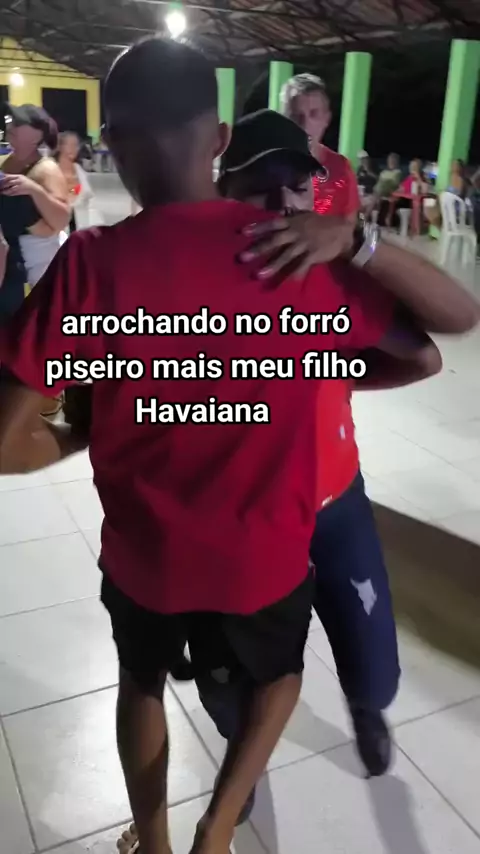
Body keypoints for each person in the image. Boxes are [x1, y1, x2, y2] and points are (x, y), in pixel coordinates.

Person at [0, 37, 432, 854]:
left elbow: (5, 439)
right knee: (281, 678)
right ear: (222, 140)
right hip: (264, 557)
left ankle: (155, 841)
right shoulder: (295, 252)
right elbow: (424, 353)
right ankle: (217, 829)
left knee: (140, 683)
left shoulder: (91, 264)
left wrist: (76, 435)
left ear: (112, 143)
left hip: (145, 559)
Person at [188, 110, 480, 806]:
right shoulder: (185, 279)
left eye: (298, 187)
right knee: (233, 674)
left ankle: (366, 710)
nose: (284, 205)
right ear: (223, 191)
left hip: (332, 502)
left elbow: (443, 336)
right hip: (233, 522)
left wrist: (356, 241)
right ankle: (241, 767)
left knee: (372, 658)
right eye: (261, 187)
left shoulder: (328, 279)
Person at [0, 105, 69, 289]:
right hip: (12, 263)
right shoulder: (7, 161)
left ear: (35, 137)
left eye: (15, 130)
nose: (9, 136)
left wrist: (35, 190)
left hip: (38, 266)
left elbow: (61, 220)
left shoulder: (46, 169)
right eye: (9, 130)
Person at [281, 73, 359, 224]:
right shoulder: (265, 165)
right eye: (296, 116)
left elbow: (349, 226)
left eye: (314, 114)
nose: (304, 125)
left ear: (326, 119)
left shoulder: (341, 168)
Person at [55, 131, 96, 231]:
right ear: (60, 147)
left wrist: (72, 191)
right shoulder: (51, 170)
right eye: (70, 145)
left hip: (80, 224)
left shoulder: (78, 169)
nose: (73, 149)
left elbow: (81, 190)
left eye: (76, 145)